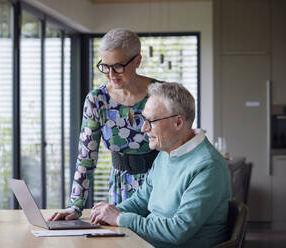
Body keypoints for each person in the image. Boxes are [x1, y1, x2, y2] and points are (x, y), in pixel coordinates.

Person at [89, 82, 231, 248]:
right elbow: (140, 201)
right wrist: (107, 214)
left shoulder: (208, 166)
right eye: (143, 119)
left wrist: (120, 218)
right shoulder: (166, 153)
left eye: (151, 121)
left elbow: (177, 231)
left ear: (178, 122)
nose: (143, 128)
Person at [49, 28, 162, 221]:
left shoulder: (161, 93)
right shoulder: (97, 100)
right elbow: (86, 157)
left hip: (160, 184)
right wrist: (75, 206)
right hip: (120, 188)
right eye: (105, 66)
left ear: (137, 61)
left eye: (118, 66)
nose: (111, 74)